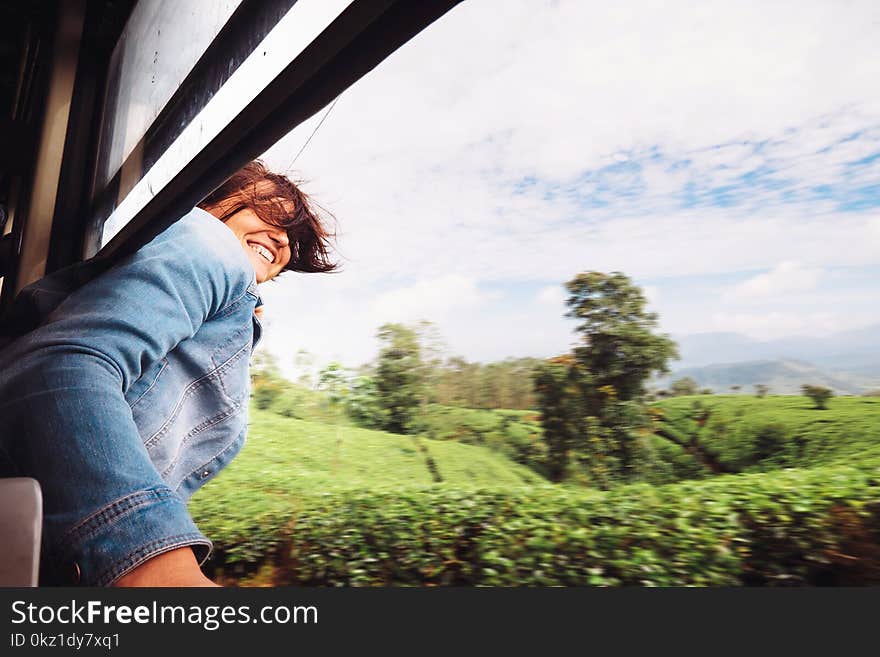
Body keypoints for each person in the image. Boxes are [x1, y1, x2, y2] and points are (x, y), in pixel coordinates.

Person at [0, 160, 337, 586]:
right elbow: (57, 368)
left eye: (291, 239)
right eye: (273, 213)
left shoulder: (222, 296)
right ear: (215, 199)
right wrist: (156, 566)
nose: (283, 240)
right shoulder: (209, 241)